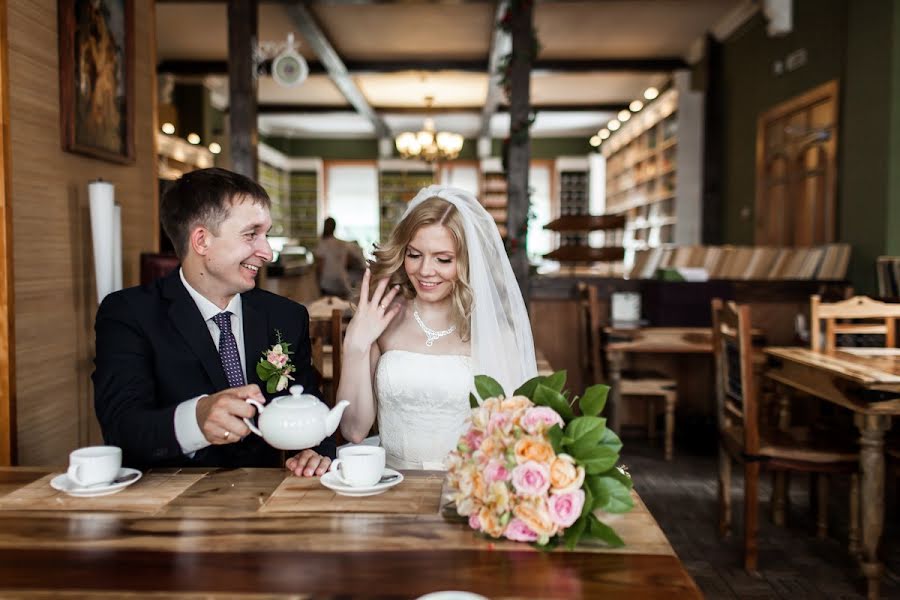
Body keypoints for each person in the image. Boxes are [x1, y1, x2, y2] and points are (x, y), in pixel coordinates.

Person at [92, 167, 334, 477]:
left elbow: (309, 401)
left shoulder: (285, 316)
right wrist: (195, 419)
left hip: (268, 497)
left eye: (267, 235)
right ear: (202, 240)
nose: (268, 252)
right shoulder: (128, 314)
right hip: (171, 505)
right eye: (251, 234)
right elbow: (122, 428)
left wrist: (316, 450)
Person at [337, 185, 537, 469]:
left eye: (443, 259)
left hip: (466, 488)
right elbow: (354, 431)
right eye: (414, 254)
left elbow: (513, 435)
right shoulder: (383, 319)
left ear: (467, 262)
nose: (425, 271)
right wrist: (355, 347)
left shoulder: (493, 331)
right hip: (391, 486)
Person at [314, 217, 366, 299]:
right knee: (340, 307)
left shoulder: (322, 244)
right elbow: (349, 260)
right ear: (334, 227)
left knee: (328, 308)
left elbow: (320, 266)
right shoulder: (342, 244)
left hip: (327, 283)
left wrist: (317, 282)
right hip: (342, 282)